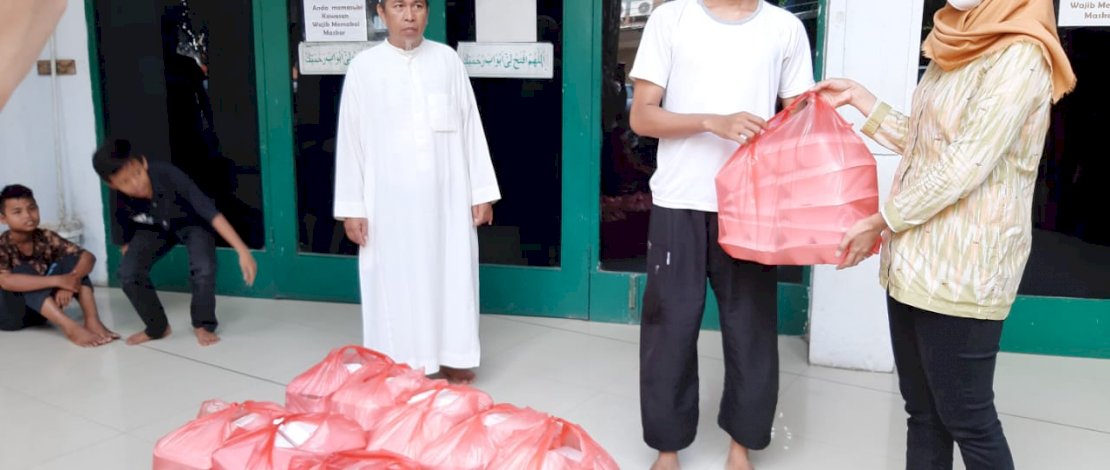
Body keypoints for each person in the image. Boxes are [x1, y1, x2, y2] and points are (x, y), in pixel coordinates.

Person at [815, 1, 1076, 468]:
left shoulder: (1021, 53)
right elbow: (929, 142)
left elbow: (965, 165)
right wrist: (861, 99)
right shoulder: (954, 42)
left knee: (969, 420)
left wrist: (881, 220)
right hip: (912, 259)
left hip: (967, 268)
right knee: (923, 414)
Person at [628, 0, 814, 468]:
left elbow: (800, 120)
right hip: (679, 200)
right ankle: (667, 447)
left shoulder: (784, 28)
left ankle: (741, 445)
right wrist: (712, 120)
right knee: (669, 327)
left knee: (750, 328)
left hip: (749, 205)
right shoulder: (671, 19)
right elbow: (642, 117)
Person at [333, 0, 500, 385]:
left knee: (451, 272)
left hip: (447, 199)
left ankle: (454, 354)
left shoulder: (447, 62)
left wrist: (481, 192)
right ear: (381, 12)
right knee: (396, 279)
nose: (409, 15)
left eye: (418, 6)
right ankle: (400, 361)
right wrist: (352, 207)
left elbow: (470, 126)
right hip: (388, 203)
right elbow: (351, 141)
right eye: (399, 6)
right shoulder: (364, 68)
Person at [92, 139, 259, 346]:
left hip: (192, 223)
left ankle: (203, 324)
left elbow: (210, 213)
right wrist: (134, 270)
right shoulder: (118, 199)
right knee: (127, 273)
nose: (136, 184)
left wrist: (242, 250)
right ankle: (157, 328)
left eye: (137, 174)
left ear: (143, 163)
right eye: (125, 182)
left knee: (204, 268)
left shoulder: (167, 174)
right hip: (154, 229)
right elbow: (124, 242)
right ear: (112, 184)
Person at [0, 184, 118, 346]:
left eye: (32, 208)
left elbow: (88, 257)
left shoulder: (46, 236)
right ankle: (71, 328)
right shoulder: (2, 245)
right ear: (3, 218)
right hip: (11, 316)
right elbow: (6, 281)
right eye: (17, 212)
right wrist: (58, 281)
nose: (28, 215)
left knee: (73, 259)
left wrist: (70, 282)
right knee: (22, 271)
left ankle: (93, 321)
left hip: (42, 312)